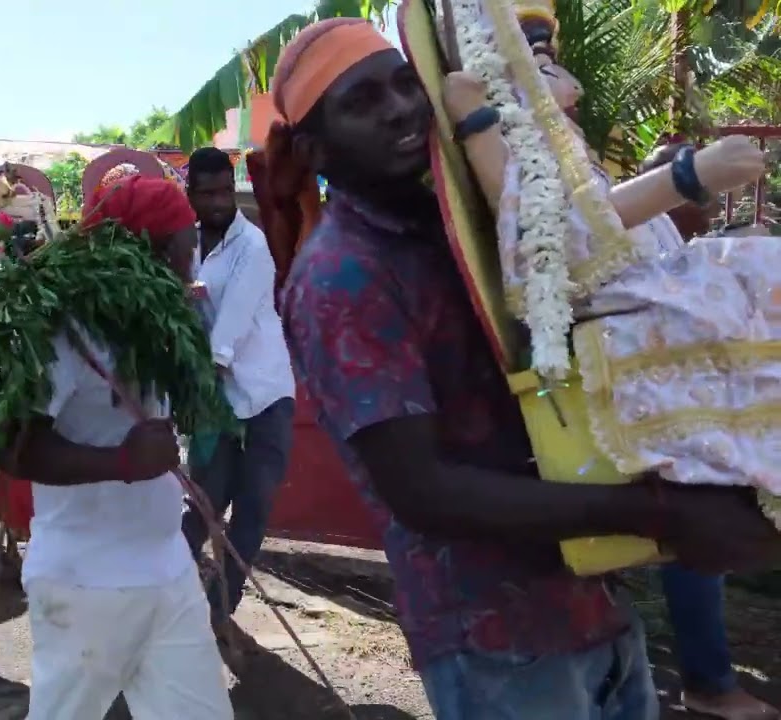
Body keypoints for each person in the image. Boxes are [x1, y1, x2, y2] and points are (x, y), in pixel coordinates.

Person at [262, 17, 778, 719]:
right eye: (362, 102)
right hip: (496, 638)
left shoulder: (465, 220)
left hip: (592, 595)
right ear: (314, 149)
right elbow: (423, 492)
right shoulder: (341, 279)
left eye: (405, 84)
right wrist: (664, 512)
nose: (400, 109)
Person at [440, 0, 779, 513]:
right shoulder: (503, 138)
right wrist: (687, 177)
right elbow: (549, 245)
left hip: (654, 290)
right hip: (623, 312)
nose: (574, 86)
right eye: (548, 69)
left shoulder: (567, 153)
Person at [11, 175, 232, 720]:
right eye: (186, 249)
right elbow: (10, 445)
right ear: (148, 253)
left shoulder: (151, 322)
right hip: (85, 582)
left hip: (166, 569)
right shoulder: (65, 330)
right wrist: (121, 463)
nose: (194, 264)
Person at [638, 145, 779, 720]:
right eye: (701, 198)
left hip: (688, 383)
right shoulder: (630, 219)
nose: (707, 210)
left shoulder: (660, 229)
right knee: (702, 499)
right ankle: (710, 681)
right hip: (656, 398)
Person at [180, 146, 295, 651]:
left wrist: (189, 389)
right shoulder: (185, 247)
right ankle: (167, 591)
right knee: (206, 503)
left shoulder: (254, 247)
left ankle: (219, 608)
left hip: (264, 393)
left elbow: (228, 331)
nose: (219, 202)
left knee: (252, 508)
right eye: (207, 194)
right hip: (218, 398)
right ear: (192, 196)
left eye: (224, 191)